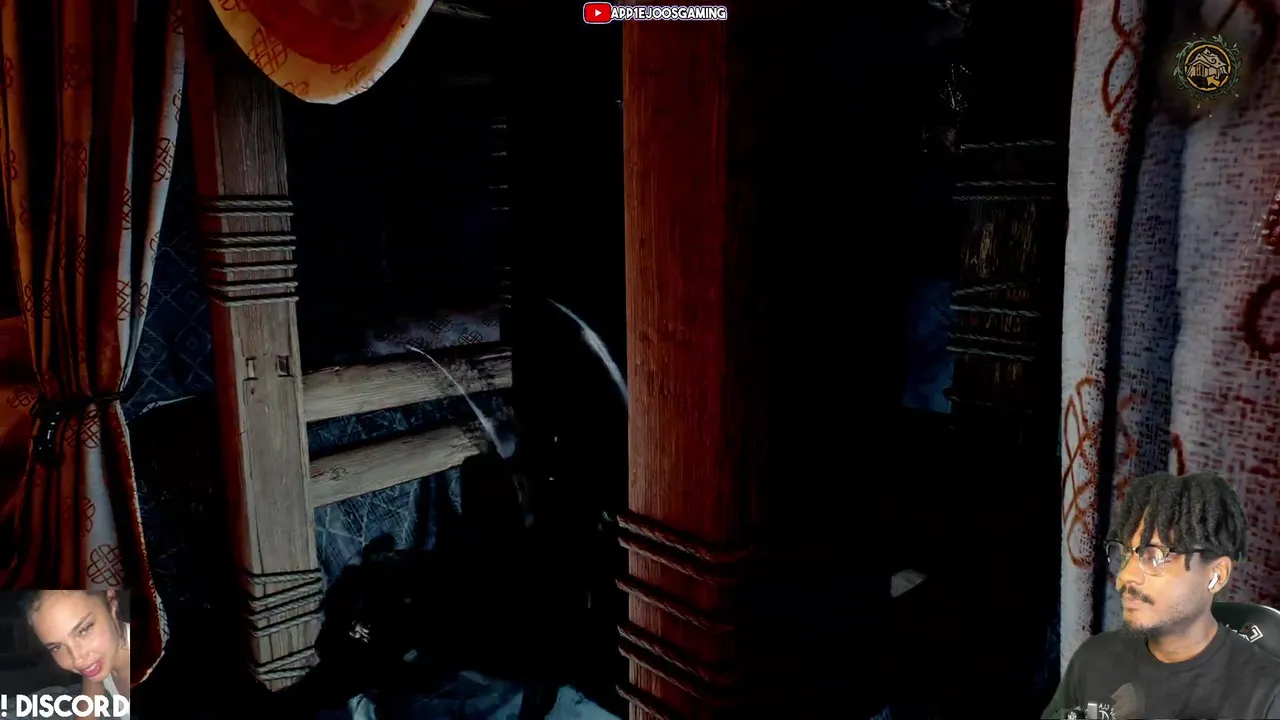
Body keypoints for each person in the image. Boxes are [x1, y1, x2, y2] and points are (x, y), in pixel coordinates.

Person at [1042, 471, 1280, 719]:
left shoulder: (1268, 695)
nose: (1125, 576)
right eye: (1126, 554)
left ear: (1216, 575)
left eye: (1154, 557)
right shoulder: (1093, 660)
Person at [20, 589, 130, 719]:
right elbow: (87, 712)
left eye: (84, 630)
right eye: (56, 647)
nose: (78, 660)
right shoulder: (96, 664)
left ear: (111, 603)